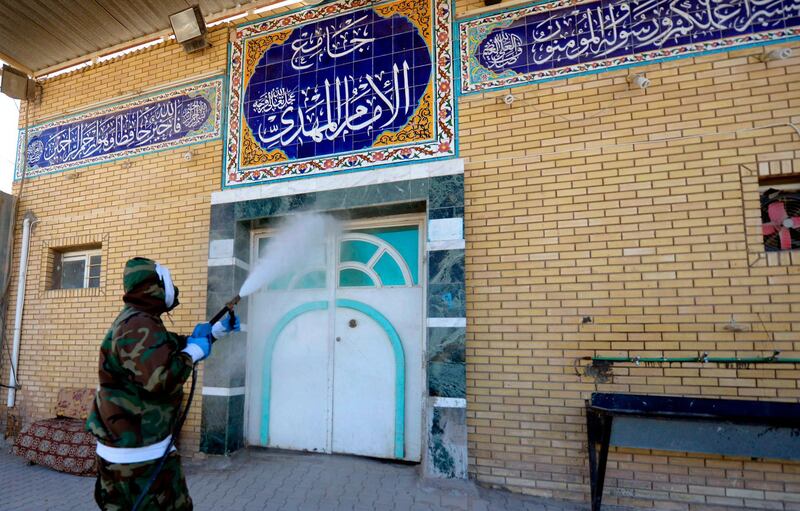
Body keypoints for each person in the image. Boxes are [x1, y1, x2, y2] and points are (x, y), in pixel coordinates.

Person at [86, 257, 239, 510]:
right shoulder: (138, 324)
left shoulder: (138, 320)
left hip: (136, 452)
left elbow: (163, 348)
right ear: (154, 285)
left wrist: (212, 333)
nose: (174, 288)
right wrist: (192, 354)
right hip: (139, 461)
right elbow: (160, 379)